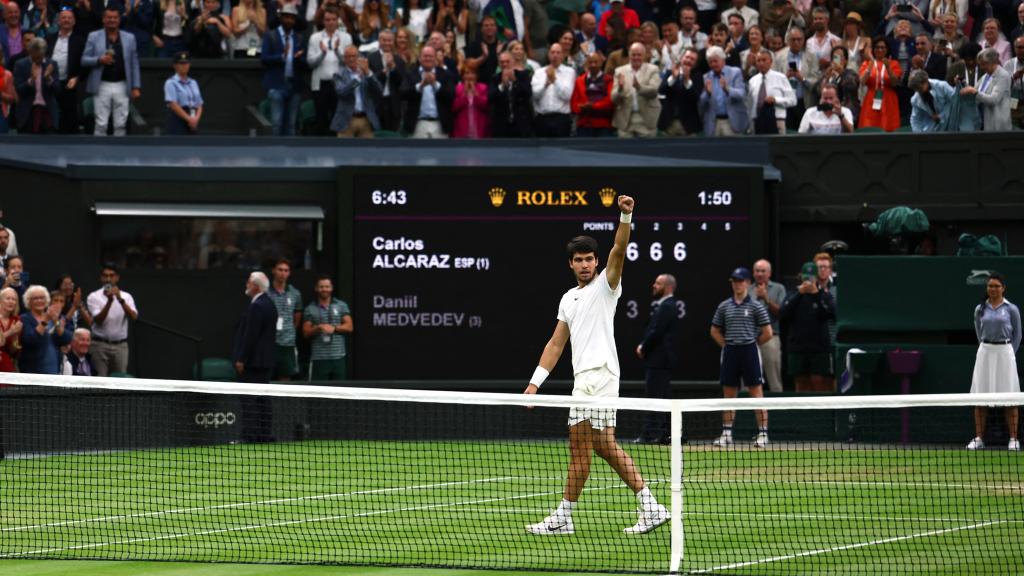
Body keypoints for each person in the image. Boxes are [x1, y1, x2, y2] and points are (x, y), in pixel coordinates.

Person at [523, 196, 669, 536]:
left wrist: (625, 214)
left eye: (590, 259)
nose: (585, 264)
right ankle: (651, 506)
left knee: (579, 448)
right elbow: (556, 344)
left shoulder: (607, 285)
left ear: (597, 262)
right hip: (588, 379)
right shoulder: (568, 298)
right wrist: (534, 384)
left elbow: (619, 248)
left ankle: (563, 518)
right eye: (579, 260)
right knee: (604, 446)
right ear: (571, 265)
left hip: (598, 377)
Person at [710, 267, 772, 448]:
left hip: (749, 351)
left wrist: (752, 344)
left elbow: (767, 332)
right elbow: (714, 330)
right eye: (734, 281)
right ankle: (727, 433)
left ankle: (763, 434)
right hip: (731, 352)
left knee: (756, 394)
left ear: (747, 283)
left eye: (740, 281)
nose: (737, 284)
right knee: (729, 395)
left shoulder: (756, 305)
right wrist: (727, 345)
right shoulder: (724, 306)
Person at [967, 273, 1020, 451]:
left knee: (1010, 397)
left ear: (1003, 288)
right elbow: (978, 331)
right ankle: (979, 438)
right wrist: (986, 347)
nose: (993, 289)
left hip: (1005, 352)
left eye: (997, 286)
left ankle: (1013, 439)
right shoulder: (979, 309)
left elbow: (1018, 335)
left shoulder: (1011, 309)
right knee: (980, 397)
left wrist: (1009, 352)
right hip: (985, 352)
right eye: (990, 286)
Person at [232, 271, 278, 443]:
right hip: (265, 362)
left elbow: (251, 336)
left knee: (249, 400)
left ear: (256, 286)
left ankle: (249, 436)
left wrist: (241, 359)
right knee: (262, 399)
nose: (247, 284)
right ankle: (263, 434)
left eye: (249, 282)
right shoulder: (269, 304)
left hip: (253, 363)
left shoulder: (257, 306)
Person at [633, 273, 679, 445]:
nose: (654, 285)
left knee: (654, 398)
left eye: (658, 283)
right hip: (661, 361)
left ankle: (651, 434)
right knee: (663, 398)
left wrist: (643, 346)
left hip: (659, 360)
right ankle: (668, 434)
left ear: (668, 287)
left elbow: (657, 332)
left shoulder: (667, 306)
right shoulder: (666, 305)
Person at [82, 7, 142, 137]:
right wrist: (99, 60)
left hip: (122, 84)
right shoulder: (93, 36)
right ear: (103, 19)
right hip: (101, 84)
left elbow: (134, 63)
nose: (112, 20)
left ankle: (119, 154)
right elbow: (84, 60)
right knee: (101, 123)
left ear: (119, 20)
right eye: (109, 17)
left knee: (121, 123)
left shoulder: (129, 38)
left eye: (115, 18)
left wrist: (136, 86)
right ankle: (98, 154)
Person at [779, 262, 836, 393]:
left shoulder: (824, 295)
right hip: (797, 347)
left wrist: (816, 294)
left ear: (816, 277)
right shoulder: (793, 294)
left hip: (819, 348)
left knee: (819, 383)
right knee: (800, 383)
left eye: (810, 278)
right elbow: (783, 313)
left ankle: (820, 413)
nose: (808, 281)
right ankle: (802, 413)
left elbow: (830, 313)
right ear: (800, 277)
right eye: (806, 278)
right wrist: (800, 293)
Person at [260, 3, 305, 136]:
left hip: (294, 84)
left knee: (291, 124)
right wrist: (281, 57)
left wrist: (297, 58)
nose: (289, 20)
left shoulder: (299, 37)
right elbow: (264, 58)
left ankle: (290, 155)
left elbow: (305, 61)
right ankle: (275, 154)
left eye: (292, 18)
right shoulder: (271, 36)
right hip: (276, 84)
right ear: (280, 18)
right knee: (277, 122)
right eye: (286, 17)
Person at [87, 264, 139, 376]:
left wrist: (120, 299)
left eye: (111, 275)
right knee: (100, 381)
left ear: (117, 277)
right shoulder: (93, 296)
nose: (108, 279)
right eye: (105, 276)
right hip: (99, 345)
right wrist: (109, 301)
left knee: (119, 380)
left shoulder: (126, 296)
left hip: (120, 346)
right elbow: (99, 320)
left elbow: (134, 317)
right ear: (101, 278)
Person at [307, 7, 351, 135]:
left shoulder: (346, 37)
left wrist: (337, 51)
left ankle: (337, 151)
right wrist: (322, 53)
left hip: (339, 84)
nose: (330, 22)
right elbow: (310, 62)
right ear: (323, 21)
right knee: (321, 119)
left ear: (338, 21)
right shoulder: (315, 37)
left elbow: (349, 62)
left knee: (338, 120)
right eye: (327, 20)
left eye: (333, 19)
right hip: (320, 84)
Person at [302, 275, 353, 381]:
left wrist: (334, 328)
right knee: (318, 393)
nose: (324, 289)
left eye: (327, 286)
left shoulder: (341, 305)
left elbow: (349, 326)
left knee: (340, 392)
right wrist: (318, 328)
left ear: (331, 288)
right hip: (319, 358)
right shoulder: (310, 308)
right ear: (316, 288)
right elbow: (306, 332)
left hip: (338, 357)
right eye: (321, 287)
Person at [46, 8, 85, 134]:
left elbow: (84, 63)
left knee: (69, 118)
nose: (66, 20)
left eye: (69, 18)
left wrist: (77, 77)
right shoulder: (49, 38)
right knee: (50, 117)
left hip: (70, 83)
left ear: (74, 21)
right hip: (50, 82)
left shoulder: (80, 40)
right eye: (63, 17)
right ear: (58, 21)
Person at [18, 285, 71, 375]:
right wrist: (45, 320)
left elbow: (66, 339)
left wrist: (56, 322)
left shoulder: (52, 317)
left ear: (47, 300)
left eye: (42, 298)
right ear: (28, 301)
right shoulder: (24, 319)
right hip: (33, 372)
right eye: (35, 298)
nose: (39, 301)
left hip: (54, 371)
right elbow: (30, 340)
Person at [332, 45, 383, 138]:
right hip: (347, 120)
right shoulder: (338, 74)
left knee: (367, 151)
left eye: (354, 56)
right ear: (344, 59)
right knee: (343, 151)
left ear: (359, 57)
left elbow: (379, 90)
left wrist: (368, 74)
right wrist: (357, 79)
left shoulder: (366, 72)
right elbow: (341, 92)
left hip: (365, 119)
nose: (351, 59)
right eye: (348, 56)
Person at [611, 41, 660, 137]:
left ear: (644, 55)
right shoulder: (619, 71)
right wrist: (620, 89)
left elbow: (654, 91)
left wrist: (639, 87)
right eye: (633, 55)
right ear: (629, 55)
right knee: (624, 151)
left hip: (646, 119)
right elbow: (613, 99)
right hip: (625, 120)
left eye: (639, 55)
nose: (636, 57)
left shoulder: (653, 69)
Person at [751, 259, 786, 392]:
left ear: (769, 273)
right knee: (747, 378)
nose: (760, 274)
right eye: (757, 271)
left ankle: (777, 410)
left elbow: (782, 313)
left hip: (771, 337)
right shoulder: (747, 289)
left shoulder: (778, 288)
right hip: (750, 338)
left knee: (774, 379)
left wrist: (766, 298)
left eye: (763, 271)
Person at [699, 45, 749, 136]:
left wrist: (727, 89)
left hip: (731, 122)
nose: (713, 64)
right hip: (714, 123)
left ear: (723, 60)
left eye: (715, 61)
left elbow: (741, 94)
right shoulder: (706, 77)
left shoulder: (735, 72)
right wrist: (707, 93)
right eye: (710, 62)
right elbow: (702, 103)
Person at [13, 37, 59, 134]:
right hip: (27, 114)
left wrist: (48, 79)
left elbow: (58, 90)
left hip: (47, 113)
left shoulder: (52, 64)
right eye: (35, 57)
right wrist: (31, 80)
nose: (38, 59)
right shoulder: (20, 65)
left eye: (40, 57)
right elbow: (19, 90)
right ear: (30, 52)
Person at [858, 36, 903, 131]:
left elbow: (895, 83)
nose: (880, 50)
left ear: (887, 49)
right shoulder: (867, 63)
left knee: (888, 127)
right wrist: (870, 66)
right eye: (877, 47)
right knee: (870, 127)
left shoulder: (894, 63)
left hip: (889, 98)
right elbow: (862, 81)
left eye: (883, 47)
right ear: (873, 49)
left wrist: (888, 68)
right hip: (872, 98)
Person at [531, 43, 576, 137]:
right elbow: (535, 95)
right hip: (542, 118)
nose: (555, 55)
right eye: (552, 52)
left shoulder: (569, 72)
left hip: (561, 119)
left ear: (563, 55)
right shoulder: (539, 72)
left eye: (558, 53)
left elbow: (567, 96)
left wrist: (554, 80)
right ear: (548, 54)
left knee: (562, 150)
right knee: (541, 150)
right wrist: (545, 84)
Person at [747, 50, 796, 134]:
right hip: (757, 123)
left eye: (764, 60)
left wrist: (776, 100)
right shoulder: (752, 81)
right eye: (758, 60)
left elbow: (793, 100)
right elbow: (749, 105)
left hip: (777, 121)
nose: (761, 63)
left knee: (778, 147)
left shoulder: (781, 78)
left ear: (771, 62)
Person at [963, 47, 1012, 131]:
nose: (981, 67)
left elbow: (994, 99)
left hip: (998, 122)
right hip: (984, 119)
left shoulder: (1003, 76)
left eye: (984, 64)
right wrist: (963, 83)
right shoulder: (986, 76)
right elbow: (974, 91)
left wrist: (975, 92)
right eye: (980, 64)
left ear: (993, 62)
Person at [489, 49, 534, 137]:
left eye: (507, 62)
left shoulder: (523, 75)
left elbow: (527, 93)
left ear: (513, 62)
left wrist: (515, 81)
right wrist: (502, 85)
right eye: (502, 62)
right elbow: (491, 97)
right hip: (502, 126)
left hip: (521, 124)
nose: (505, 64)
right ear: (499, 64)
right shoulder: (495, 79)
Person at [658, 45, 702, 135]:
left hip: (689, 125)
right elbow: (661, 90)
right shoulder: (670, 72)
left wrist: (687, 81)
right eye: (687, 57)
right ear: (682, 58)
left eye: (692, 59)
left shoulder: (698, 76)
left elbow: (696, 98)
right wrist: (673, 78)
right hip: (668, 123)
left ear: (696, 63)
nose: (689, 60)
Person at [163, 51, 203, 134]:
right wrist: (189, 119)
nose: (184, 66)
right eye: (181, 64)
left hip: (193, 117)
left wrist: (196, 119)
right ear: (175, 65)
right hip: (179, 118)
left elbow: (199, 103)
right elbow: (173, 104)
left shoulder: (193, 82)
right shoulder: (171, 82)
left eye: (186, 63)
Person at [451, 61, 489, 138]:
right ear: (462, 75)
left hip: (479, 129)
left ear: (476, 75)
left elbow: (486, 107)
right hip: (461, 130)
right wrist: (464, 94)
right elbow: (454, 108)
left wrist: (475, 93)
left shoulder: (483, 88)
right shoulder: (457, 88)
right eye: (467, 73)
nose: (469, 76)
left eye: (472, 73)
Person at [1004, 36, 1024, 129]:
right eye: (1019, 47)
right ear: (1015, 49)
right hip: (1014, 101)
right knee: (1014, 128)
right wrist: (1014, 77)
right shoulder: (1009, 64)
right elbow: (1003, 85)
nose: (1022, 50)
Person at [0, 286, 21, 372]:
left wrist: (15, 336)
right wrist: (11, 332)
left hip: (6, 364)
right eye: (8, 298)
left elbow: (13, 351)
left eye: (14, 299)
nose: (11, 302)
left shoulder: (16, 321)